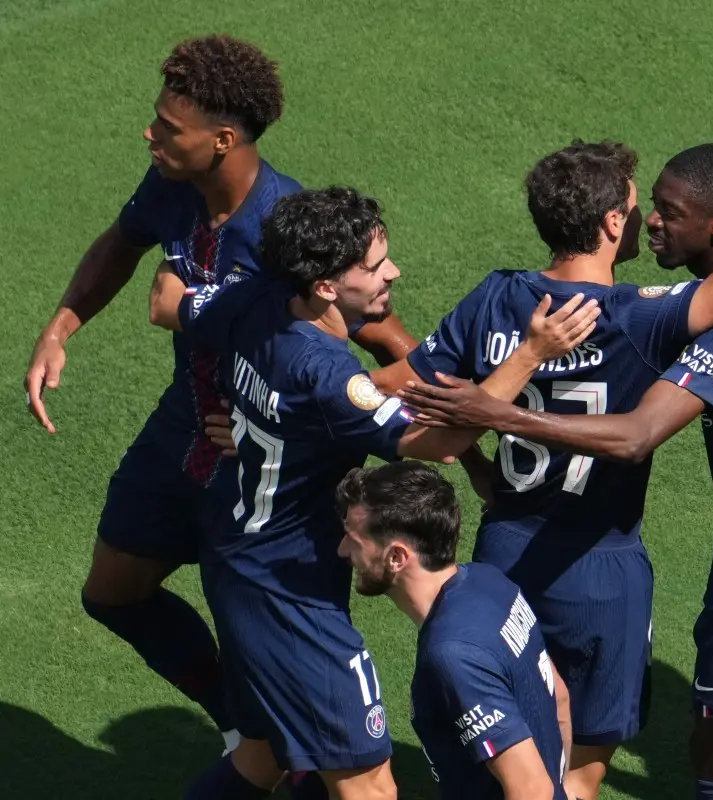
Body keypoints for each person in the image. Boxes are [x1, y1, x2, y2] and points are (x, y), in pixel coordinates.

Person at [400, 144, 713, 800]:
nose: (649, 220)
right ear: (609, 223)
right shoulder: (671, 306)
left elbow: (634, 434)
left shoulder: (498, 296)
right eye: (642, 206)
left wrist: (487, 423)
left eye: (667, 211)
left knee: (695, 751)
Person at [21, 35, 419, 753]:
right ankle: (238, 722)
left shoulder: (288, 229)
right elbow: (122, 241)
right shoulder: (174, 183)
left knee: (269, 642)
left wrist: (283, 421)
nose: (151, 134)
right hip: (183, 429)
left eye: (169, 127)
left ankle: (293, 756)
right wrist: (60, 328)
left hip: (260, 465)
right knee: (112, 592)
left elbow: (397, 353)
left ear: (223, 140)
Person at [148, 186, 598, 798]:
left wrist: (265, 418)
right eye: (375, 266)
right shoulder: (325, 372)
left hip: (245, 557)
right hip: (288, 590)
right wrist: (532, 353)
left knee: (263, 755)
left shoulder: (250, 298)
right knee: (370, 785)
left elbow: (166, 300)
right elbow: (438, 442)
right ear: (326, 287)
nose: (394, 273)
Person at [336, 460, 573, 800]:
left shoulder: (453, 655)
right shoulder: (489, 581)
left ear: (396, 557)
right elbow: (559, 696)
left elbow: (531, 790)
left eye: (354, 540)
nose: (343, 550)